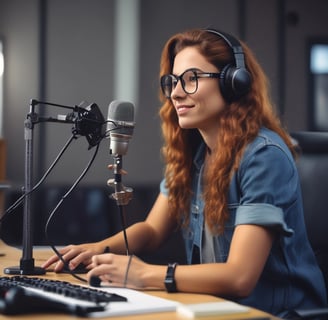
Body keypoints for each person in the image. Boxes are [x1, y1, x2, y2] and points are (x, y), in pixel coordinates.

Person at [42, 28, 327, 317]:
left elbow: (240, 276)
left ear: (234, 83)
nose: (176, 93)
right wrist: (98, 249)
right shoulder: (194, 154)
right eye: (174, 81)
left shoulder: (264, 156)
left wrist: (145, 274)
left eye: (192, 79)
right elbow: (152, 230)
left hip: (279, 314)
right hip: (218, 309)